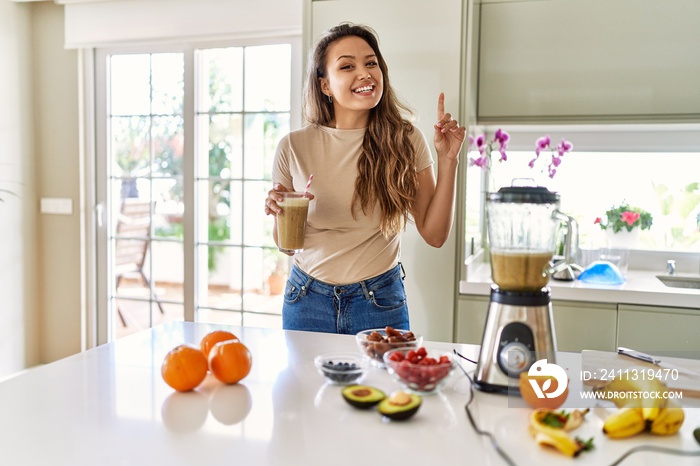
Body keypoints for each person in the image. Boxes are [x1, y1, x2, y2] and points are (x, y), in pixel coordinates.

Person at [264, 22, 465, 334]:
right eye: (347, 66)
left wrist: (448, 160)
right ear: (325, 85)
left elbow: (435, 235)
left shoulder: (405, 139)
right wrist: (279, 213)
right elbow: (287, 245)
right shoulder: (294, 146)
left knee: (384, 385)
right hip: (306, 300)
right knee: (306, 385)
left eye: (371, 63)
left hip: (379, 301)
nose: (364, 73)